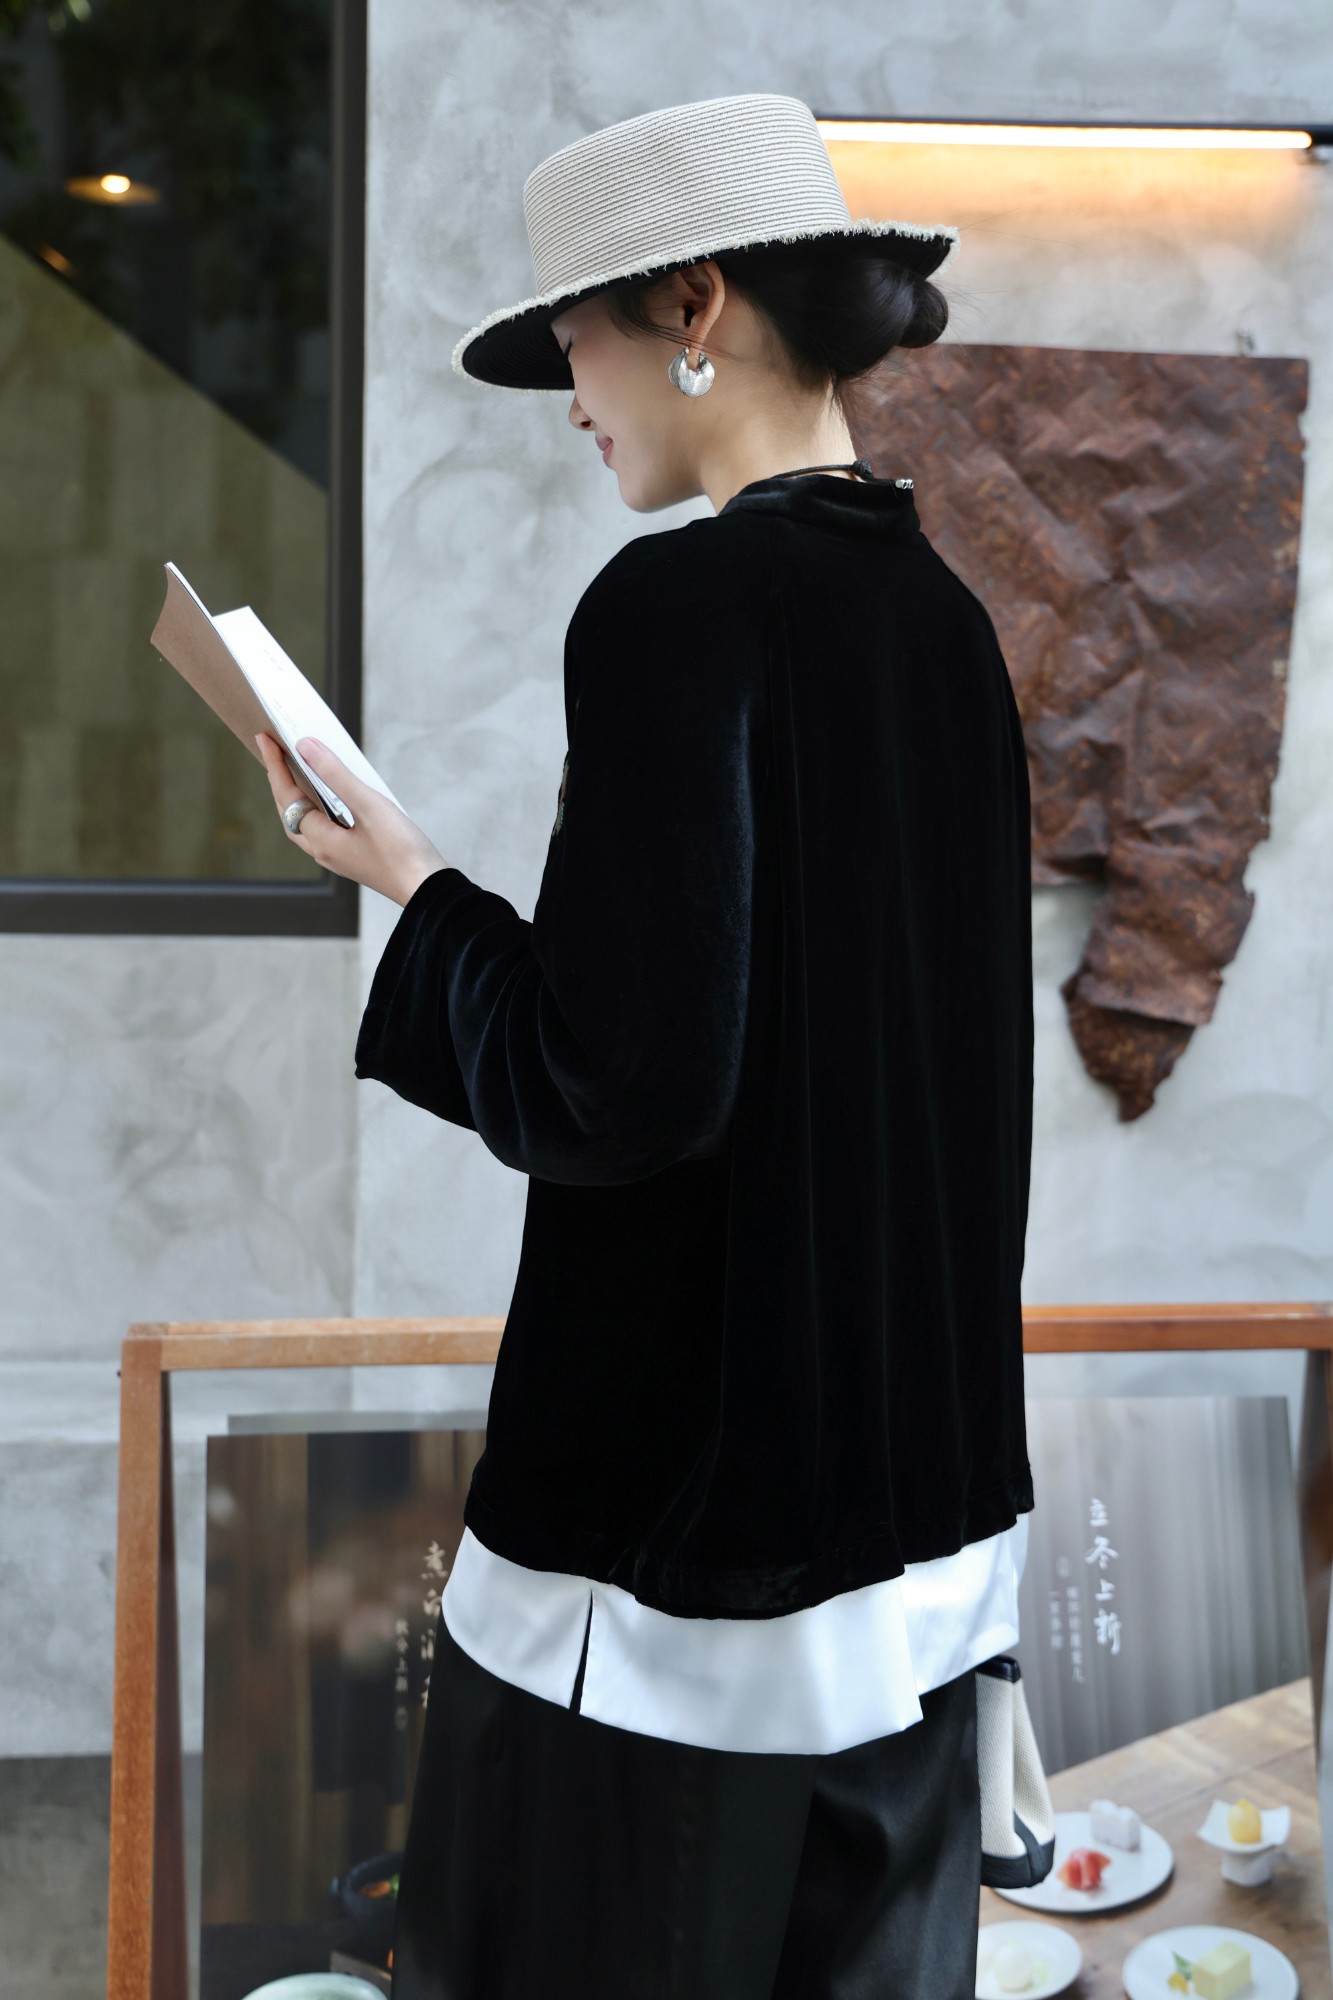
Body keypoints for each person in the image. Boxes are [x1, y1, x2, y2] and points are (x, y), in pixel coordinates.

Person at [257, 89, 1035, 2000]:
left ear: (694, 304)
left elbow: (618, 1086)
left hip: (681, 1562)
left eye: (575, 343)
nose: (570, 402)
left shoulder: (679, 607)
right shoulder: (941, 621)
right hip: (913, 1545)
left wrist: (417, 889)